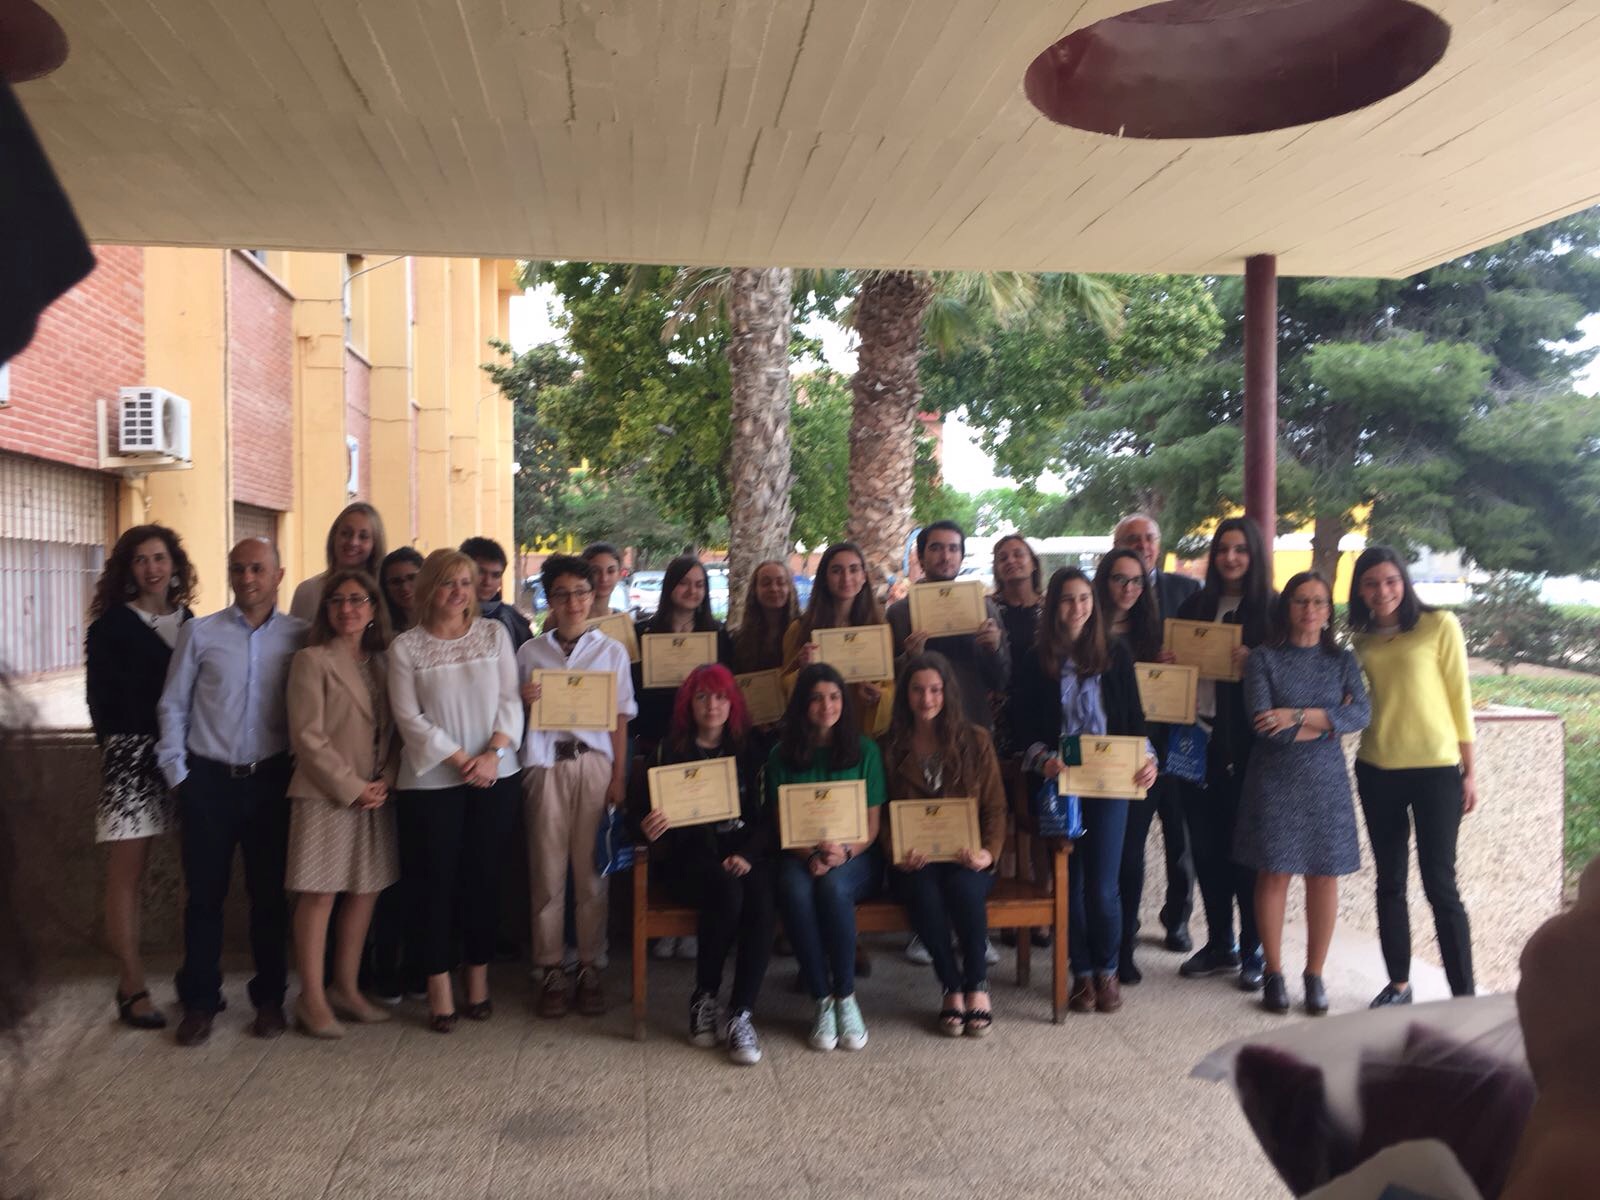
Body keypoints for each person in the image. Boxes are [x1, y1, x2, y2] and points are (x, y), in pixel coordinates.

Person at [156, 537, 308, 1047]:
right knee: (204, 897)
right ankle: (200, 1002)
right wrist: (179, 776)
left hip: (271, 782)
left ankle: (269, 1000)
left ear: (278, 575)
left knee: (269, 897)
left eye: (258, 569)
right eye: (238, 568)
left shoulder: (300, 636)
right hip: (208, 782)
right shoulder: (199, 633)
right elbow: (173, 704)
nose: (247, 578)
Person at [387, 548, 523, 1032]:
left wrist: (493, 755)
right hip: (431, 782)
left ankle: (478, 979)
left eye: (465, 582)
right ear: (429, 588)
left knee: (483, 880)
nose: (459, 591)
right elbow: (409, 719)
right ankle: (439, 985)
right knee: (433, 884)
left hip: (495, 774)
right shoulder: (406, 647)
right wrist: (461, 759)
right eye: (448, 582)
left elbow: (510, 700)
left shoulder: (494, 634)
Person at [1015, 567, 1157, 1015]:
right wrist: (1043, 759)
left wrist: (1149, 760)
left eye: (1084, 598)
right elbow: (1021, 728)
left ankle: (1107, 970)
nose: (1077, 607)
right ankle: (1080, 972)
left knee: (1102, 886)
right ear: (1053, 606)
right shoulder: (1035, 659)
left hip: (1112, 783)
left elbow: (1134, 719)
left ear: (1093, 604)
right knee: (1070, 884)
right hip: (1060, 785)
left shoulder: (1115, 653)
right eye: (1067, 599)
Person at [1233, 571, 1370, 1016]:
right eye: (1301, 600)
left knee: (1324, 875)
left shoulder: (1342, 660)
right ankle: (1274, 973)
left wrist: (1295, 715)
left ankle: (1314, 974)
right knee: (1273, 873)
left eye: (1318, 602)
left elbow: (1361, 713)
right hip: (1274, 778)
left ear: (1329, 611)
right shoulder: (1263, 659)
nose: (1310, 609)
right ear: (1287, 606)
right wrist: (1328, 722)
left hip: (1326, 782)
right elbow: (1263, 725)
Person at [1348, 546, 1478, 1006]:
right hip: (1377, 769)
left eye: (1390, 580)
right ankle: (1399, 984)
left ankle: (1464, 995)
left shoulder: (1439, 625)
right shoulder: (1360, 641)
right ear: (1359, 591)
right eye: (1371, 583)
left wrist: (1469, 771)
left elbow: (1460, 698)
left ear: (1404, 582)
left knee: (1440, 885)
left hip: (1436, 771)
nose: (1382, 590)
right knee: (1390, 882)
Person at [85, 524, 196, 1030]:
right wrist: (123, 751)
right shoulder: (111, 626)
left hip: (188, 758)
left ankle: (195, 979)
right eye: (141, 559)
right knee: (126, 876)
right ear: (128, 570)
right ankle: (131, 985)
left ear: (174, 566)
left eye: (159, 558)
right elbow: (98, 703)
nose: (152, 568)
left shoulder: (191, 623)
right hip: (131, 761)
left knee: (197, 872)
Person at [517, 554, 636, 1019]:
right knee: (546, 871)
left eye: (581, 593)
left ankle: (589, 965)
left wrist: (618, 776)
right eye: (562, 594)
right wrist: (522, 699)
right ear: (549, 598)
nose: (573, 602)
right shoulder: (530, 653)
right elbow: (509, 713)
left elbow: (621, 718)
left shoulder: (612, 651)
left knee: (590, 873)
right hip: (545, 765)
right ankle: (550, 967)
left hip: (593, 766)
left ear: (593, 595)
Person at [636, 665, 774, 1064]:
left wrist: (746, 854)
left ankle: (741, 1013)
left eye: (720, 696)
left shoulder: (751, 750)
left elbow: (768, 819)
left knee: (762, 896)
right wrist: (648, 826)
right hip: (689, 861)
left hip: (744, 853)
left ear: (732, 703)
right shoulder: (668, 751)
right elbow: (640, 815)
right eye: (702, 697)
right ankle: (705, 996)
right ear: (688, 704)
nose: (712, 705)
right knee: (726, 890)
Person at [284, 569, 400, 1037]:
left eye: (357, 600)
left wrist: (386, 779)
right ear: (326, 610)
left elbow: (395, 733)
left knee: (365, 891)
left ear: (373, 609)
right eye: (338, 601)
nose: (347, 609)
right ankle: (311, 999)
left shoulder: (383, 664)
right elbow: (306, 737)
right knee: (319, 894)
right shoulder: (311, 660)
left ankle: (345, 988)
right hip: (326, 794)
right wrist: (352, 786)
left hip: (375, 795)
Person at [880, 652, 1007, 1037]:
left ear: (947, 692)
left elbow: (995, 807)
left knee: (964, 889)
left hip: (966, 856)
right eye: (917, 690)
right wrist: (898, 853)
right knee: (924, 893)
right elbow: (880, 815)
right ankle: (951, 985)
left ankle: (977, 984)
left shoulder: (976, 740)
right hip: (914, 861)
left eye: (935, 690)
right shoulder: (888, 746)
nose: (927, 699)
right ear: (905, 695)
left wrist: (987, 853)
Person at [1174, 517, 1276, 992]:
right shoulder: (1195, 605)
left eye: (1240, 550)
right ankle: (1220, 943)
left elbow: (1292, 674)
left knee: (1247, 853)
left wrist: (1258, 662)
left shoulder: (1272, 611)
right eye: (1222, 549)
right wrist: (1170, 663)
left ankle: (1254, 948)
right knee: (1205, 848)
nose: (1230, 558)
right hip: (1196, 740)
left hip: (1248, 747)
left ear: (1253, 556)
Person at [770, 663, 887, 1052]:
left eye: (835, 697)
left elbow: (871, 827)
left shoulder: (866, 750)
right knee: (794, 889)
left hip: (856, 857)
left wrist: (843, 853)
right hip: (799, 854)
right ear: (802, 704)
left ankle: (846, 996)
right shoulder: (780, 755)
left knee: (834, 888)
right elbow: (782, 826)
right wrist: (812, 856)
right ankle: (821, 999)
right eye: (817, 698)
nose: (827, 706)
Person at [1113, 512, 1198, 954]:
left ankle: (1177, 918)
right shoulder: (1106, 596)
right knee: (1130, 840)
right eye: (1132, 539)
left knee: (1181, 837)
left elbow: (1206, 648)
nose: (1142, 545)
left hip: (1181, 734)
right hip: (1133, 737)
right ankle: (1126, 922)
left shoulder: (1188, 590)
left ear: (1159, 545)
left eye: (1149, 538)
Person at [1094, 546, 1166, 985]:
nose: (1128, 587)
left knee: (1130, 854)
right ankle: (1094, 949)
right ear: (1104, 581)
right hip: (1092, 759)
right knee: (1096, 859)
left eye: (1137, 580)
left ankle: (1124, 947)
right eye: (1119, 578)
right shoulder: (1086, 625)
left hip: (1141, 757)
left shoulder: (1153, 634)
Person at [886, 520, 1009, 731]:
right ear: (921, 558)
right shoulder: (898, 614)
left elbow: (1002, 681)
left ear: (961, 557)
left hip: (972, 727)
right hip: (917, 731)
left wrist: (994, 650)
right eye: (936, 548)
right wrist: (910, 657)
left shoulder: (984, 610)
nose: (945, 556)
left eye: (953, 549)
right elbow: (888, 684)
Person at [781, 542, 895, 738]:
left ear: (864, 576)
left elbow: (888, 686)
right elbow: (784, 685)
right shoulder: (800, 629)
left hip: (862, 733)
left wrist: (878, 697)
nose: (846, 578)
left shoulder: (879, 629)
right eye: (836, 570)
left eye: (854, 569)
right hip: (816, 734)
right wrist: (803, 670)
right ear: (824, 578)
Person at [288, 502, 387, 623]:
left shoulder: (385, 592)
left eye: (363, 536)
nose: (353, 542)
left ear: (375, 544)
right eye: (346, 533)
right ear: (334, 537)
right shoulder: (307, 591)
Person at [989, 533, 1043, 757]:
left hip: (1043, 704)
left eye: (1018, 554)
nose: (1011, 561)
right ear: (997, 569)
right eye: (1003, 558)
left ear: (1033, 563)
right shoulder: (985, 609)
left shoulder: (1052, 607)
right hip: (1000, 714)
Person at [461, 535, 533, 649]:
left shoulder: (514, 621)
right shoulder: (443, 617)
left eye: (496, 575)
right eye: (480, 572)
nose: (487, 582)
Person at [730, 559, 798, 676]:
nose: (774, 588)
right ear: (754, 590)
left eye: (781, 582)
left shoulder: (803, 631)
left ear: (790, 588)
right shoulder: (738, 639)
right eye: (766, 583)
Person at [380, 546, 423, 634]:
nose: (405, 588)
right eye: (396, 582)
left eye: (412, 578)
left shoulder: (447, 619)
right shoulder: (381, 632)